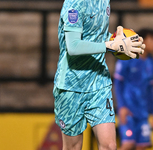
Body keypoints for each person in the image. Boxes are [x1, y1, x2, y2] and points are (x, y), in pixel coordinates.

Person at [53, 0, 145, 149]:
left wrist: (118, 41)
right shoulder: (74, 4)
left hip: (98, 82)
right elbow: (73, 46)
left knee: (109, 145)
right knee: (73, 146)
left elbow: (98, 36)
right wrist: (109, 46)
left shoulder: (103, 1)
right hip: (71, 86)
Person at [114, 28, 153, 150]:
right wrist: (122, 106)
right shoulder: (127, 58)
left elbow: (150, 88)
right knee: (128, 144)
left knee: (142, 146)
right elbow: (118, 84)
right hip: (128, 110)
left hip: (143, 112)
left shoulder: (151, 62)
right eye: (152, 40)